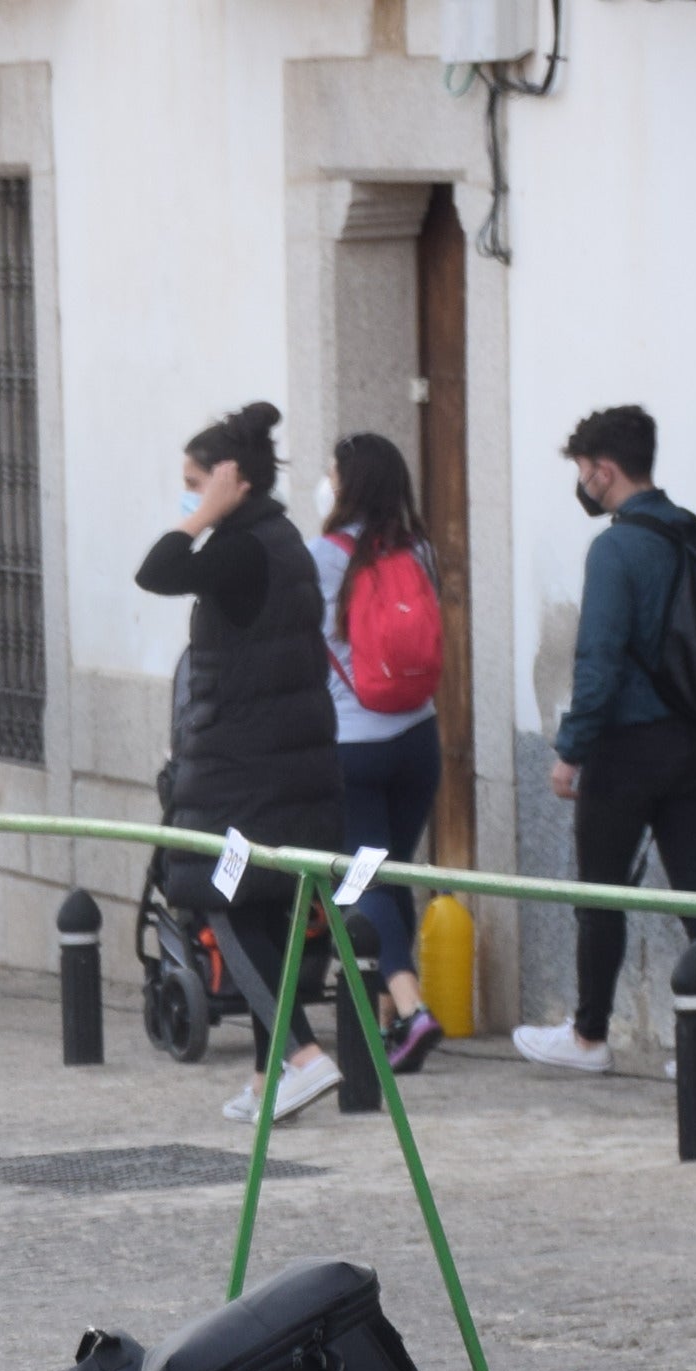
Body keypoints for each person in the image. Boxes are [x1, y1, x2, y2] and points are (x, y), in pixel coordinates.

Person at [135, 400, 345, 1122]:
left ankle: (303, 1053)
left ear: (233, 482)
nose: (188, 499)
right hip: (284, 763)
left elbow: (157, 571)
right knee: (264, 910)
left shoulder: (242, 546)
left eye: (196, 484)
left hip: (244, 768)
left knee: (221, 902)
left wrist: (202, 515)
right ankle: (267, 1076)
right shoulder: (279, 540)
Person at [517, 403, 696, 1078]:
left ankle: (589, 1037)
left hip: (628, 746)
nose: (582, 482)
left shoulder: (615, 548)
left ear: (604, 470)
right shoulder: (693, 531)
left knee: (601, 892)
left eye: (584, 469)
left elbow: (600, 659)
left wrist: (571, 750)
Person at [314, 432, 444, 1066]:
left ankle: (412, 1009)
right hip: (419, 740)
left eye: (332, 473)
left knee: (360, 881)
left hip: (354, 749)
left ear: (348, 485)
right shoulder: (421, 550)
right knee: (390, 876)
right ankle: (387, 1023)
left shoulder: (322, 556)